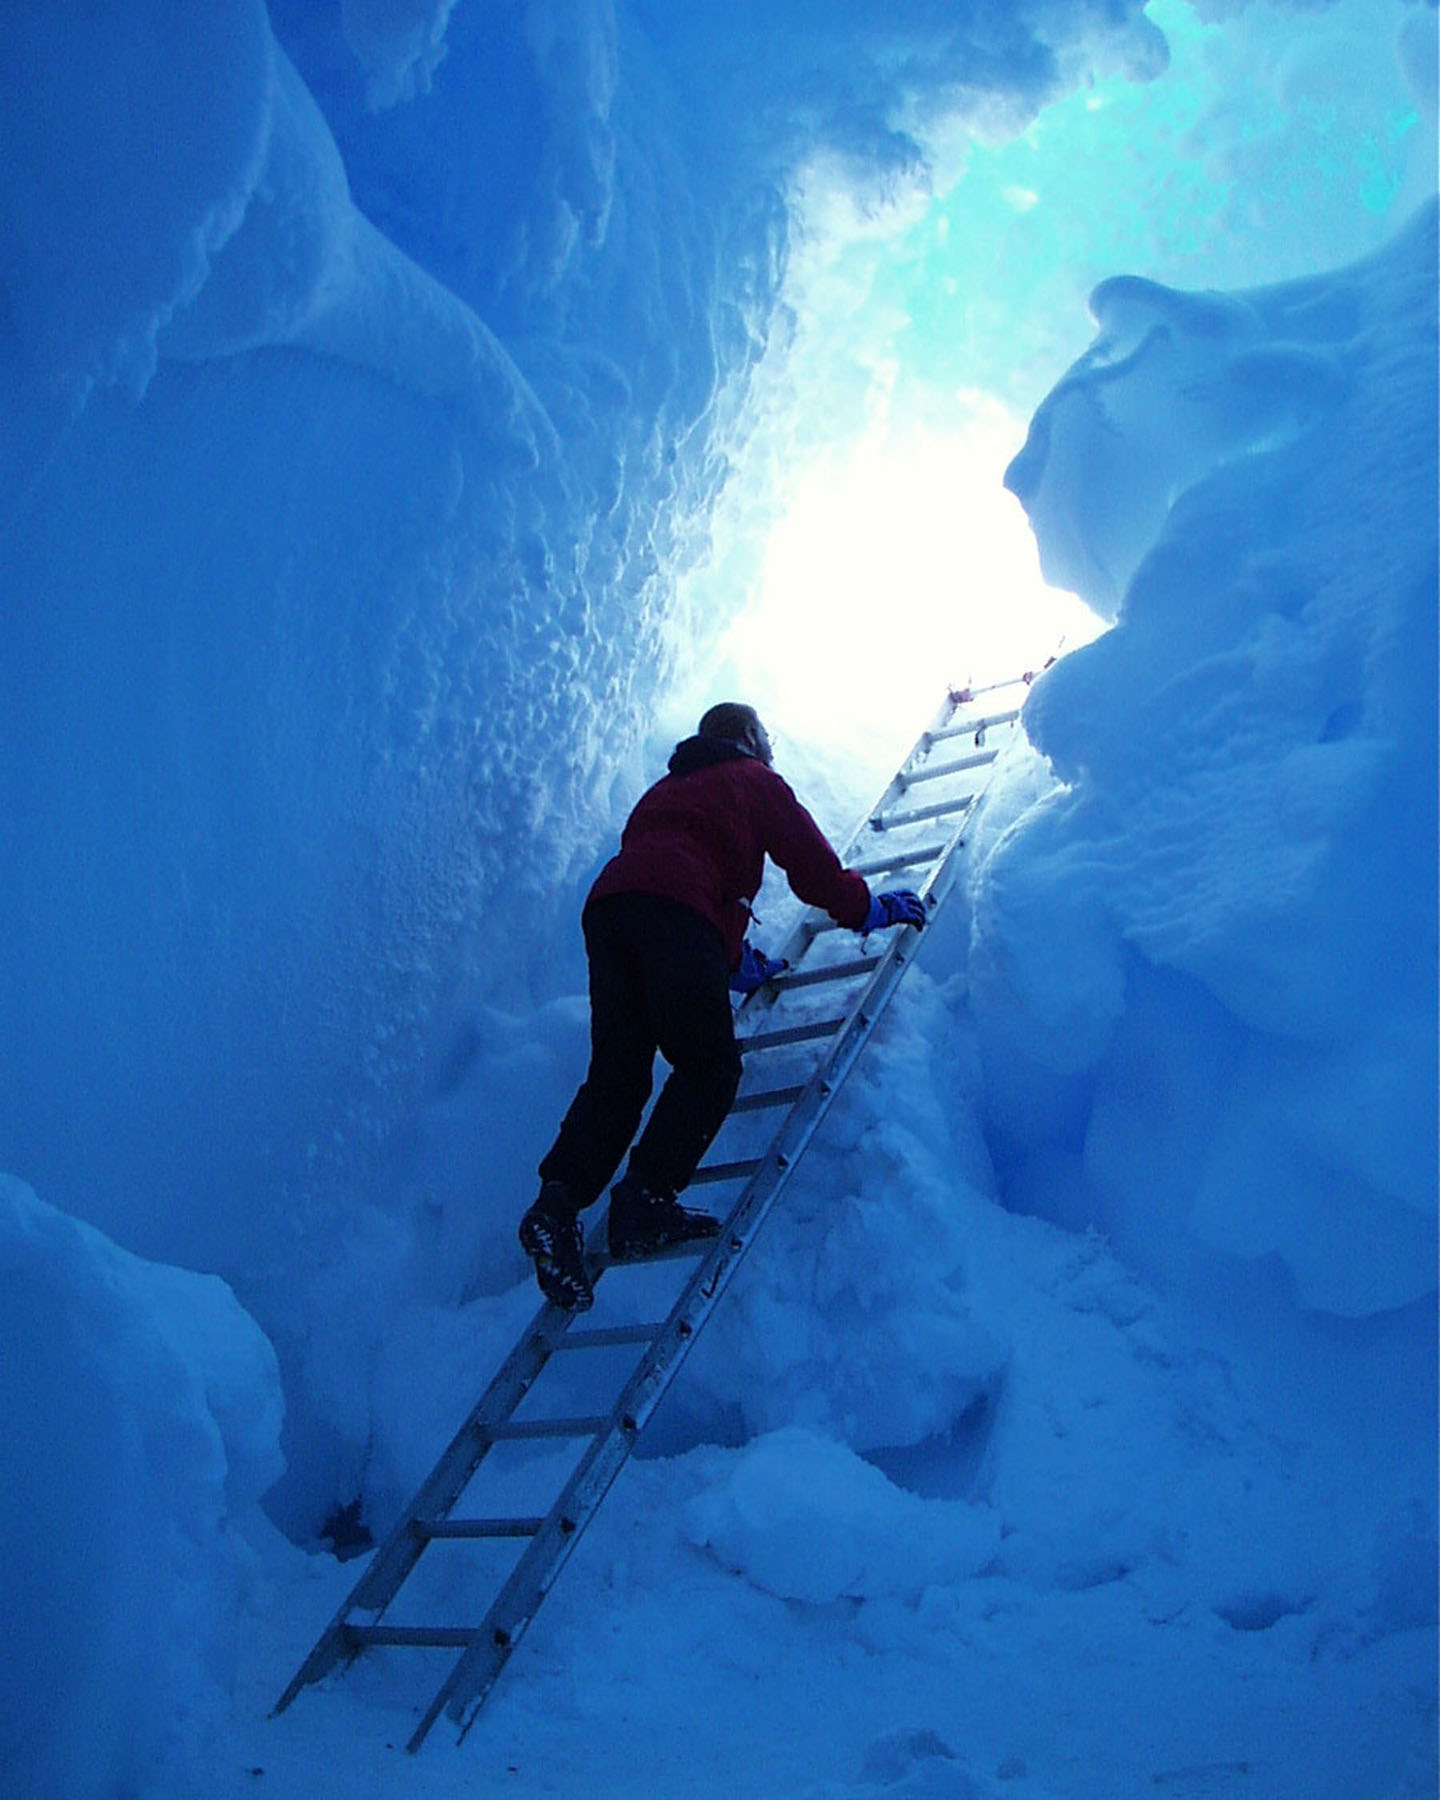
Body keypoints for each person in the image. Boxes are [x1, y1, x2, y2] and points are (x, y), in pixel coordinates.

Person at [518, 702, 926, 1311]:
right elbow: (809, 867)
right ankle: (645, 1199)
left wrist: (731, 963)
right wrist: (867, 909)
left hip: (611, 910)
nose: (771, 748)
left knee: (620, 1075)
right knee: (709, 1066)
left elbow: (683, 869)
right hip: (677, 913)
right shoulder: (753, 780)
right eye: (766, 736)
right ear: (745, 737)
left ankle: (556, 1208)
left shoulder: (665, 792)